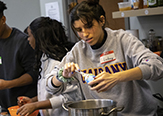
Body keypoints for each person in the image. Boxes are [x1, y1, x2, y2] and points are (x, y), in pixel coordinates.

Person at [45, 0, 163, 116]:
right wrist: (61, 75)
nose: (85, 34)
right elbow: (50, 87)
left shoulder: (123, 40)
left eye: (89, 26)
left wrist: (117, 77)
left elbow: (156, 66)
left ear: (101, 20)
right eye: (79, 30)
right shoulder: (78, 51)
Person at [16, 17, 82, 116]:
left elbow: (68, 98)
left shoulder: (60, 61)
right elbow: (49, 92)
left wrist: (36, 105)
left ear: (39, 38)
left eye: (29, 35)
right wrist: (33, 101)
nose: (28, 39)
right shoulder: (44, 57)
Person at [0, 1, 38, 113]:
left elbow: (33, 74)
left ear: (3, 20)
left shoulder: (22, 42)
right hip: (6, 108)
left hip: (26, 107)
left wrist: (8, 84)